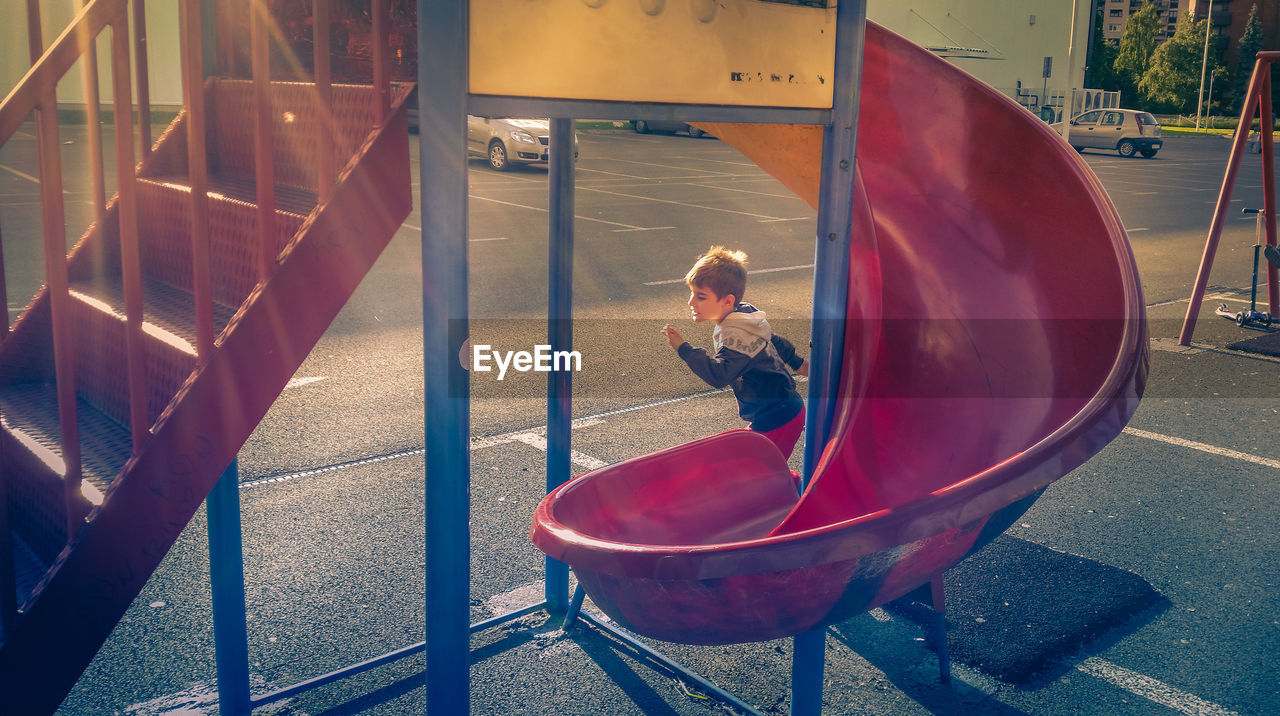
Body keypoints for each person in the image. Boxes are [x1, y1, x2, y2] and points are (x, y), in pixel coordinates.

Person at [661, 246, 809, 461]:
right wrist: (797, 362)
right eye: (692, 293)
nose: (691, 302)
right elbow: (771, 337)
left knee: (755, 473)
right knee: (753, 467)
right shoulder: (745, 314)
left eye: (700, 297)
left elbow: (720, 375)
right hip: (781, 412)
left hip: (777, 419)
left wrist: (684, 348)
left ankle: (792, 488)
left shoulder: (736, 335)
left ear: (728, 301)